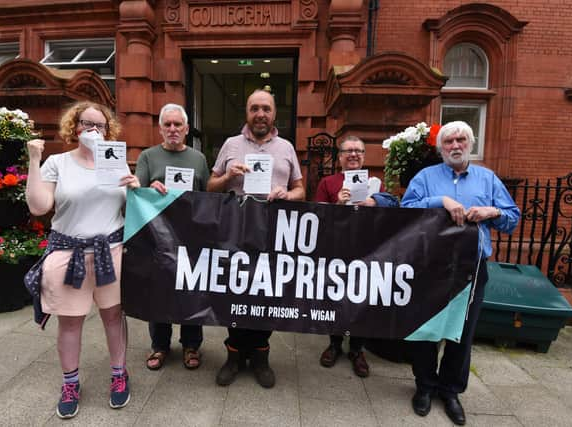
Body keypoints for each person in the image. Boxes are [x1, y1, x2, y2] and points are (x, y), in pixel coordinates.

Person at [25, 101, 140, 419]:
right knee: (71, 322)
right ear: (73, 127)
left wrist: (136, 187)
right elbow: (38, 206)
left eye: (99, 125)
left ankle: (119, 374)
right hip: (68, 253)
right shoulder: (58, 163)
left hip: (111, 251)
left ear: (108, 130)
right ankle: (70, 383)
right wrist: (35, 159)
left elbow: (131, 208)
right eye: (86, 123)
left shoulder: (116, 161)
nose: (92, 129)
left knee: (114, 317)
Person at [401, 121, 520, 425]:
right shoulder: (426, 178)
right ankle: (425, 386)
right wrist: (440, 201)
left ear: (470, 143)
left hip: (472, 268)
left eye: (461, 140)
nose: (455, 145)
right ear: (441, 148)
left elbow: (512, 217)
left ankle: (450, 390)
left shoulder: (487, 179)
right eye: (449, 141)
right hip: (432, 267)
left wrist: (492, 212)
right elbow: (405, 210)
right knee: (425, 329)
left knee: (462, 333)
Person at [207, 89, 305, 388]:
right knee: (234, 293)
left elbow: (301, 189)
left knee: (269, 294)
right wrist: (227, 178)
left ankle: (261, 356)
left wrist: (288, 194)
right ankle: (234, 355)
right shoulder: (231, 144)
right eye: (254, 108)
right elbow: (210, 187)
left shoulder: (286, 147)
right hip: (235, 231)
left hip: (275, 233)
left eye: (265, 108)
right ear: (247, 113)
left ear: (274, 113)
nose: (260, 114)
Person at [315, 135, 398, 377]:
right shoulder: (328, 182)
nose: (353, 155)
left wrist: (375, 201)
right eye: (348, 151)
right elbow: (316, 215)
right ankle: (334, 344)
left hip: (366, 251)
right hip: (337, 249)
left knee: (361, 299)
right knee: (336, 297)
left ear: (363, 155)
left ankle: (357, 349)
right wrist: (337, 207)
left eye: (358, 151)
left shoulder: (375, 183)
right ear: (339, 156)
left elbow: (392, 206)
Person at [135, 103, 210, 371]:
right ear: (160, 129)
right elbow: (135, 191)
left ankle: (192, 344)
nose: (173, 129)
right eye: (167, 124)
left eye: (178, 124)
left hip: (190, 238)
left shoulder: (198, 159)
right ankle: (160, 345)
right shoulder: (147, 157)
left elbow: (207, 198)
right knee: (158, 291)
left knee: (191, 289)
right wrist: (149, 188)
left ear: (187, 129)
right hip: (157, 239)